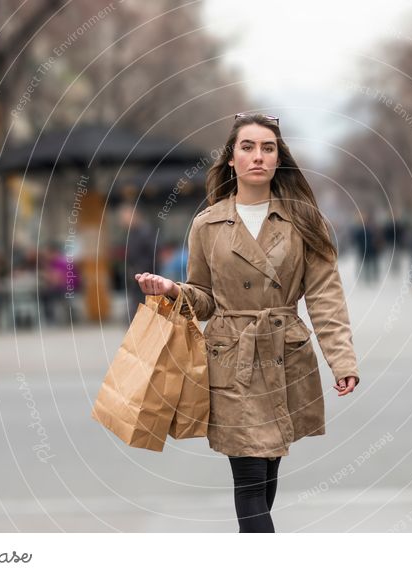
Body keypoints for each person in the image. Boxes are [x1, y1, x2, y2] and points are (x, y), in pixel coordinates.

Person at [134, 113, 360, 533]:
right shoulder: (207, 224)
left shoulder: (304, 220)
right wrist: (172, 289)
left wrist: (342, 360)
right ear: (232, 159)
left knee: (268, 469)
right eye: (248, 147)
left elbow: (326, 295)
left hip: (284, 354)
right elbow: (203, 300)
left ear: (278, 160)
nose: (258, 156)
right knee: (250, 477)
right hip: (231, 357)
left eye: (268, 148)